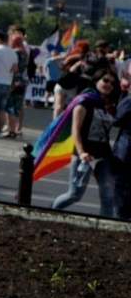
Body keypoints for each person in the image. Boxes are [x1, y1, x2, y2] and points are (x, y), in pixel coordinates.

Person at [51, 69, 124, 218]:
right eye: (105, 80)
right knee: (74, 195)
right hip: (84, 155)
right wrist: (81, 152)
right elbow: (75, 131)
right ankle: (49, 212)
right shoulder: (84, 101)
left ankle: (106, 228)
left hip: (103, 155)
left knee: (107, 195)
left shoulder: (109, 105)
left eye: (112, 82)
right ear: (96, 80)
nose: (108, 84)